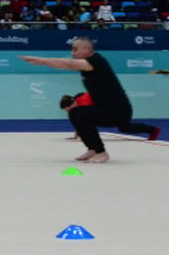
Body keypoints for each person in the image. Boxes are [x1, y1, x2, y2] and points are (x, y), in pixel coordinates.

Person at [21, 36, 160, 162]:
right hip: (106, 108)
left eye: (75, 49)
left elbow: (68, 64)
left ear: (86, 49)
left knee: (80, 114)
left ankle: (101, 152)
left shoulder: (96, 61)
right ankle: (92, 149)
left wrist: (43, 61)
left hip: (118, 111)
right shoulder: (88, 64)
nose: (72, 53)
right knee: (76, 113)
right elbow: (69, 65)